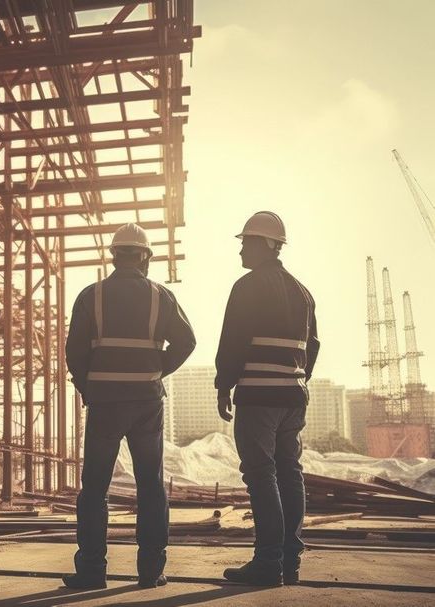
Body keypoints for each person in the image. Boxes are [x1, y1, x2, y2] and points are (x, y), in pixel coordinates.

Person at [64, 222, 196, 590]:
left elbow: (74, 351)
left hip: (104, 401)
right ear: (145, 257)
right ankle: (151, 572)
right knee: (151, 487)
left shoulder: (92, 295)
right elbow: (187, 342)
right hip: (146, 403)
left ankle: (92, 571)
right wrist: (156, 372)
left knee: (94, 488)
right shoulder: (161, 297)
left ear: (114, 255)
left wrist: (87, 387)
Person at [215, 211, 320, 586]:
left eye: (246, 242)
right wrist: (296, 380)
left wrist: (223, 384)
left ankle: (267, 562)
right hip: (293, 396)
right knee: (289, 474)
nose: (241, 248)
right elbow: (314, 345)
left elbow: (233, 341)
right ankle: (289, 560)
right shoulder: (302, 292)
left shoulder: (247, 287)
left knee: (261, 476)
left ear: (266, 245)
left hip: (259, 395)